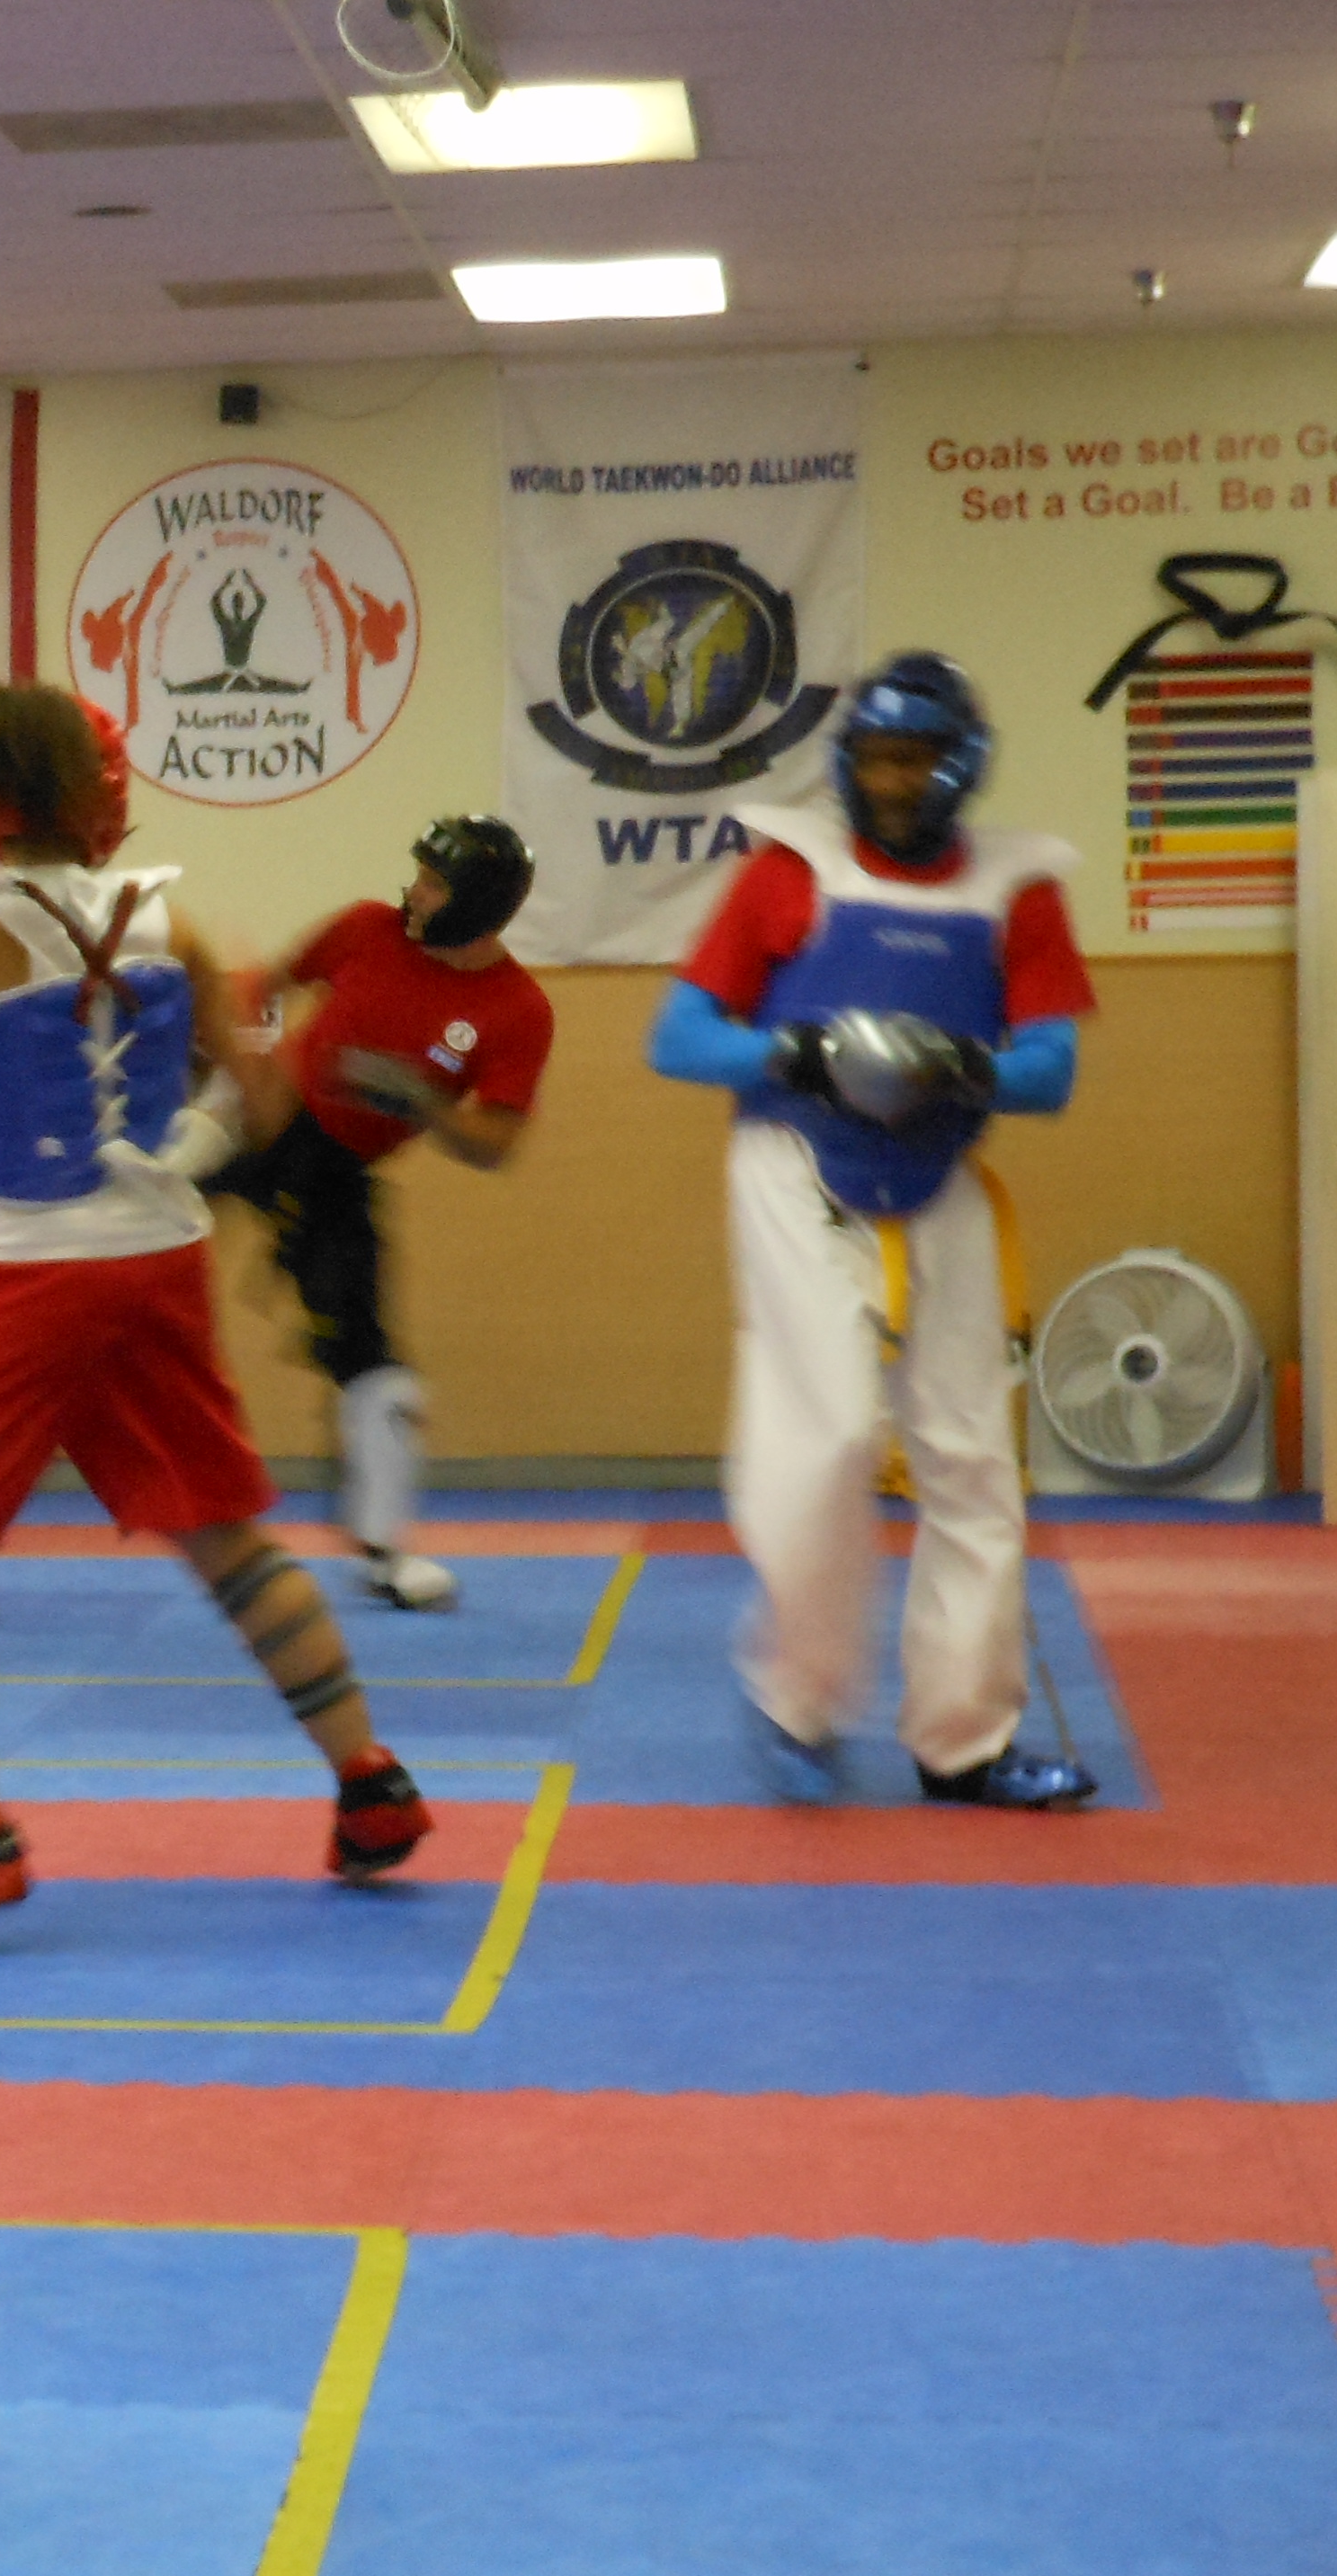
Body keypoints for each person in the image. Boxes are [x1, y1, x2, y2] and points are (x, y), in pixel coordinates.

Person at [0, 682, 432, 1948]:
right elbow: (259, 1103)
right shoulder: (173, 925)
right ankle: (370, 1781)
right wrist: (172, 1157)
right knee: (222, 1534)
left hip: (17, 1277)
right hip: (156, 1263)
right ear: (93, 794)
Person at [648, 649, 1100, 1808]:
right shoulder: (787, 873)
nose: (894, 782)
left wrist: (962, 1067)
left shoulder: (1016, 890)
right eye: (878, 759)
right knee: (832, 1436)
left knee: (972, 1456)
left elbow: (1052, 1070)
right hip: (795, 1161)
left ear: (961, 766)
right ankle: (796, 1697)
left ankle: (966, 1740)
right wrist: (796, 1052)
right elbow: (678, 1039)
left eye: (916, 760)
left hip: (938, 1166)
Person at [207, 816, 551, 1611]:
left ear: (477, 904)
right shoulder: (367, 927)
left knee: (376, 1369)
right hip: (259, 1123)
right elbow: (268, 985)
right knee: (101, 1245)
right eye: (418, 874)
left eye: (433, 883)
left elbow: (495, 1145)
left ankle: (386, 1550)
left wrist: (427, 1103)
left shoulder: (517, 1009)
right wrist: (246, 1076)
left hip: (335, 1171)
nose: (414, 892)